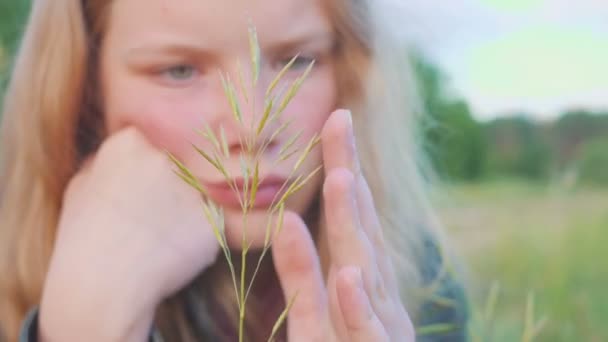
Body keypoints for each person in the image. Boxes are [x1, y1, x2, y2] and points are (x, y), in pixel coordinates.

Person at [0, 0, 469, 341]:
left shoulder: (412, 284)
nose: (251, 125)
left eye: (296, 61)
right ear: (87, 95)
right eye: (180, 70)